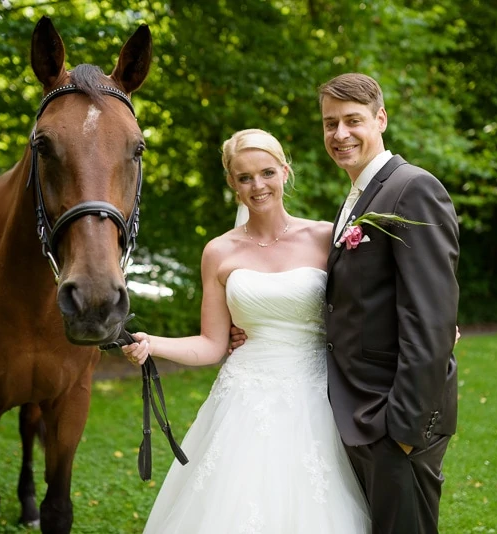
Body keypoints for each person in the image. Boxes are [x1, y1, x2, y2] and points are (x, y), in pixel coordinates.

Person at [123, 128, 371, 533]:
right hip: (243, 396)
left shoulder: (327, 236)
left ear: (285, 172)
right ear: (232, 184)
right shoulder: (218, 252)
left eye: (267, 172)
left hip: (317, 394)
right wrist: (152, 344)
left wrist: (428, 322)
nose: (258, 185)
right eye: (244, 177)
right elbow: (210, 344)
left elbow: (364, 305)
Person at [319, 73, 460, 534]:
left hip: (394, 420)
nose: (340, 134)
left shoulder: (413, 188)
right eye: (329, 123)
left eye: (353, 120)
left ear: (380, 118)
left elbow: (431, 318)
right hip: (358, 411)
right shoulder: (357, 195)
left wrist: (403, 431)